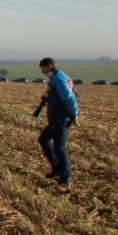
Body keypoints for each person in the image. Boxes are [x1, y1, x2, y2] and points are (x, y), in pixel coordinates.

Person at [36, 57, 79, 190]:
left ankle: (66, 177)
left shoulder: (59, 79)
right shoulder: (55, 78)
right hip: (56, 117)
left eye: (43, 68)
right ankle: (56, 168)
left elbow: (70, 99)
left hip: (61, 118)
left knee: (59, 148)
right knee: (43, 140)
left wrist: (75, 115)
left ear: (49, 66)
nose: (42, 71)